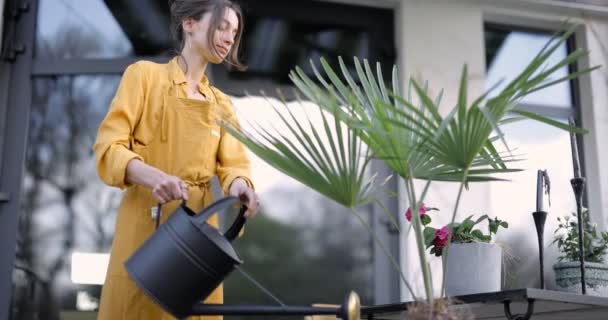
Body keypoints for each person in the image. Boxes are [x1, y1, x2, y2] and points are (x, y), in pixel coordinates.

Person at [93, 1, 257, 319]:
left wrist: (241, 187)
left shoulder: (222, 105)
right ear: (190, 24)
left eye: (234, 32)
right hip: (143, 228)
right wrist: (155, 178)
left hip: (198, 238)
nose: (228, 38)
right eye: (222, 26)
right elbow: (108, 148)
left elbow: (235, 165)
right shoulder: (143, 77)